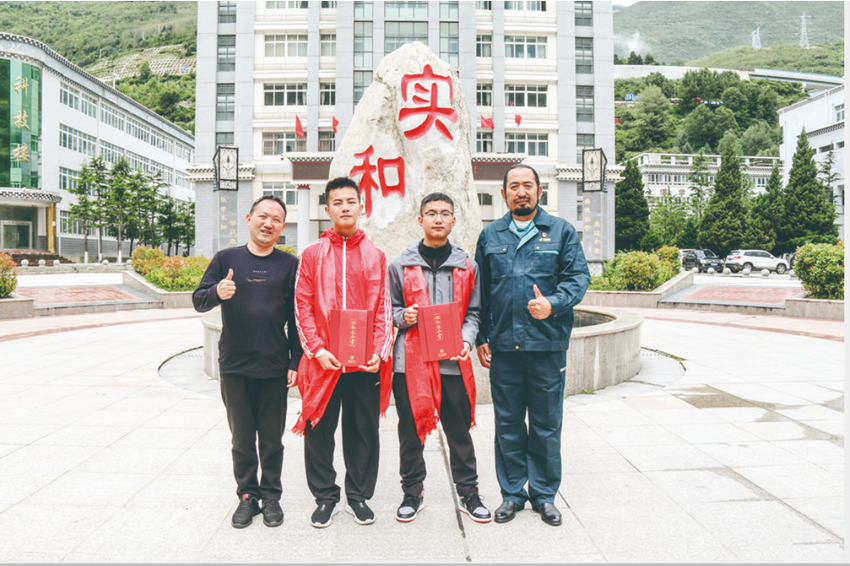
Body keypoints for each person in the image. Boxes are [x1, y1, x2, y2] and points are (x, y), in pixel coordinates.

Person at [475, 164, 590, 527]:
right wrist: (481, 337)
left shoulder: (561, 231)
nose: (521, 191)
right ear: (504, 194)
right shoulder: (490, 235)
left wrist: (553, 304)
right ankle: (512, 494)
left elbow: (578, 277)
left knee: (546, 424)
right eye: (514, 186)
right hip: (504, 347)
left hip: (546, 346)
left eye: (528, 185)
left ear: (540, 191)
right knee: (508, 424)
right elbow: (480, 292)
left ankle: (544, 495)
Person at [193, 195, 302, 529]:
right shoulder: (226, 258)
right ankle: (247, 496)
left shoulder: (289, 265)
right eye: (263, 216)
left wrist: (295, 361)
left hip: (273, 365)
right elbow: (198, 300)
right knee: (241, 439)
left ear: (282, 227)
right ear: (249, 218)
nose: (268, 224)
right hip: (235, 364)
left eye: (276, 219)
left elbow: (297, 318)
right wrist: (217, 292)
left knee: (271, 439)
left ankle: (271, 496)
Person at [293, 177, 394, 528]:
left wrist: (379, 352)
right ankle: (325, 497)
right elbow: (302, 306)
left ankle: (359, 496)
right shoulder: (312, 254)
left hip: (364, 364)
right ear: (327, 209)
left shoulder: (376, 255)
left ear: (361, 207)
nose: (345, 207)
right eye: (337, 202)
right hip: (323, 362)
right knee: (318, 429)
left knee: (363, 430)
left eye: (351, 201)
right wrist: (316, 349)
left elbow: (384, 308)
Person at [388, 192, 491, 524]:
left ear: (453, 221)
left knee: (458, 432)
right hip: (410, 363)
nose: (438, 219)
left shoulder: (467, 266)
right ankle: (412, 492)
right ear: (420, 220)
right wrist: (404, 317)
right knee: (411, 431)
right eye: (431, 213)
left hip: (451, 362)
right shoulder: (400, 265)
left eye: (445, 213)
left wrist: (466, 339)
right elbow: (388, 310)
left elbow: (474, 312)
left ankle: (469, 493)